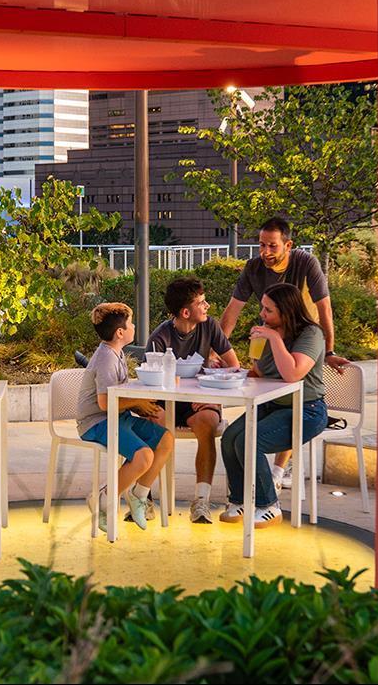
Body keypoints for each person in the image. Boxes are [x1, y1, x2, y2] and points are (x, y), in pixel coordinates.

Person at [218, 216, 344, 487]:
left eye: (272, 246)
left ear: (288, 245)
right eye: (261, 245)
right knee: (269, 394)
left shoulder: (305, 263)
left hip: (302, 336)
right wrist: (216, 350)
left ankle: (277, 472)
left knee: (291, 391)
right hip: (273, 329)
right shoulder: (254, 268)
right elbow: (232, 311)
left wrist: (329, 349)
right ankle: (251, 489)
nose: (265, 252)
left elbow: (324, 308)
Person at [219, 283, 327, 528]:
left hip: (306, 410)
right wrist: (230, 371)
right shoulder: (268, 331)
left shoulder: (310, 334)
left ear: (286, 311)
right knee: (230, 438)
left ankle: (268, 505)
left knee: (249, 441)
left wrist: (275, 339)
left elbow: (292, 374)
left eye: (268, 310)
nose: (262, 314)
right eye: (263, 308)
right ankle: (240, 500)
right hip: (271, 405)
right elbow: (260, 372)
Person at [76, 302, 175, 533]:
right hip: (97, 422)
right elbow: (104, 403)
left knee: (166, 440)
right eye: (131, 323)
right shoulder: (106, 358)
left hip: (117, 416)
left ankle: (139, 495)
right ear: (120, 332)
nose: (134, 326)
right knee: (143, 456)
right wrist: (138, 402)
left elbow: (117, 397)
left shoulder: (116, 352)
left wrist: (141, 407)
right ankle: (103, 499)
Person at [147, 276, 238, 523]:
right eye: (202, 302)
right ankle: (143, 496)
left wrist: (209, 392)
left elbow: (233, 365)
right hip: (165, 401)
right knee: (153, 422)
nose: (207, 306)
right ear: (186, 312)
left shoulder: (211, 327)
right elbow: (152, 384)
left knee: (208, 421)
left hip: (199, 401)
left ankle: (201, 501)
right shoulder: (160, 338)